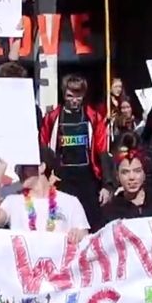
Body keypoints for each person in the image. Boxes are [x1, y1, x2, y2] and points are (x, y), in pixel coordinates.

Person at [39, 74, 110, 229]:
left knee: (92, 222)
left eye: (78, 96)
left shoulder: (93, 117)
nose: (74, 100)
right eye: (70, 96)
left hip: (88, 179)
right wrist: (48, 173)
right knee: (62, 222)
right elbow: (43, 146)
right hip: (62, 180)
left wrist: (107, 184)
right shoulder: (52, 118)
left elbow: (102, 150)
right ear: (64, 94)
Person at [0, 146, 89, 240]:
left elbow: (85, 236)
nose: (19, 171)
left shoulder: (70, 202)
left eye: (24, 166)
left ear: (41, 167)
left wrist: (78, 235)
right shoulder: (13, 201)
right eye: (18, 167)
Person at [101, 140, 152, 222]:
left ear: (144, 173)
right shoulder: (111, 210)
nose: (131, 177)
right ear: (117, 176)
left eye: (137, 171)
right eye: (125, 172)